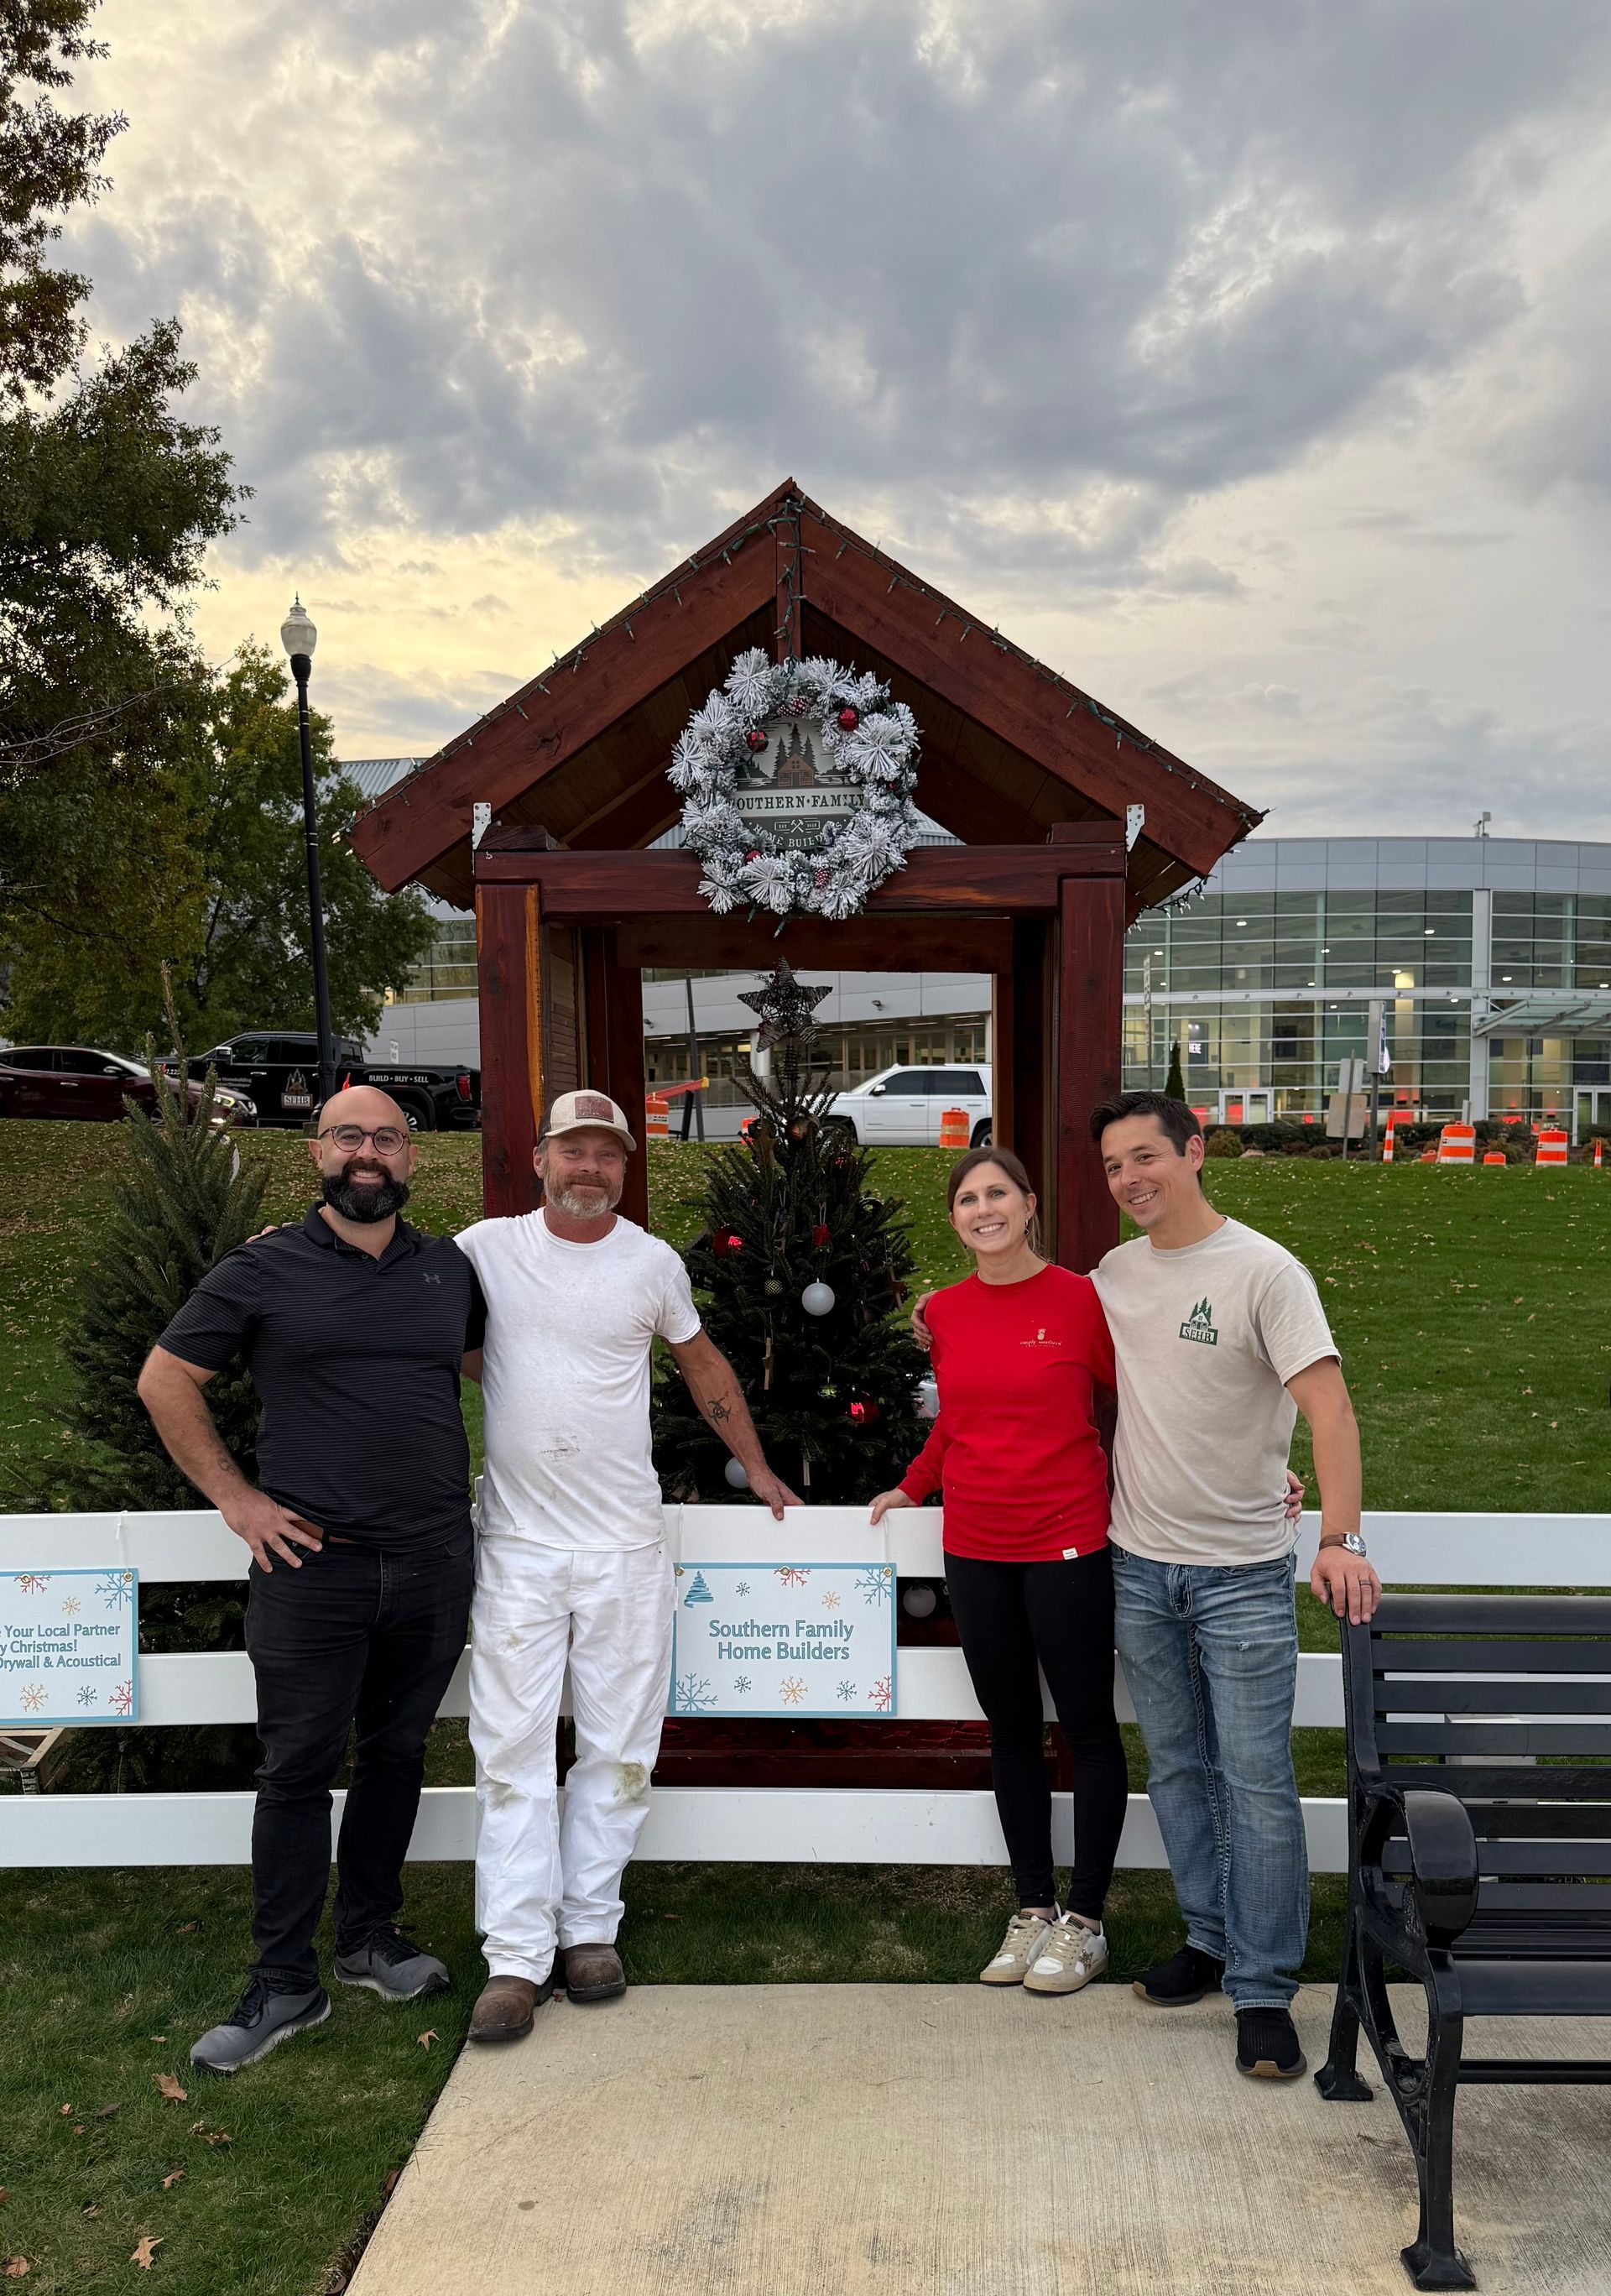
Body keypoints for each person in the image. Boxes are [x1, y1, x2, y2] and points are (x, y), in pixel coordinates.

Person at [138, 1087, 486, 2074]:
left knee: (397, 1754)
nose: (367, 1153)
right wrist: (237, 1501)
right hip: (312, 1569)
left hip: (431, 1561)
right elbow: (166, 1379)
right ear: (317, 1154)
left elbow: (490, 1366)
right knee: (295, 1770)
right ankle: (284, 1980)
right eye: (348, 1137)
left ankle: (372, 1937)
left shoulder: (448, 1269)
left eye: (385, 1138)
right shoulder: (262, 1267)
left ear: (411, 1157)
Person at [456, 1088, 799, 2045]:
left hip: (625, 1548)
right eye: (574, 1150)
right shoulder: (483, 1251)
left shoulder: (651, 1263)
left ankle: (590, 1929)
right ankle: (515, 1957)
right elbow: (431, 1339)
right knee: (513, 1752)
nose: (590, 1168)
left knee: (619, 1746)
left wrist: (760, 1467)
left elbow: (702, 1366)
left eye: (608, 1153)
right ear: (540, 1159)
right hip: (520, 1548)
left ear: (623, 1167)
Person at [1087, 1090, 1378, 2082]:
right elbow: (1033, 1322)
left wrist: (1338, 1535)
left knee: (1256, 1783)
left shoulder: (1265, 1271)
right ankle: (1209, 1943)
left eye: (1145, 1157)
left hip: (1243, 1578)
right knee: (1174, 1770)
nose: (1130, 1179)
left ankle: (1263, 1990)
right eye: (1114, 1166)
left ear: (1193, 1152)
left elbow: (1330, 1412)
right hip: (1139, 1567)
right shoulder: (1116, 1276)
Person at [870, 1149, 1129, 1998]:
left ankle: (1085, 1922)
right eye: (968, 1198)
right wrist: (912, 1484)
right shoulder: (943, 1312)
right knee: (1009, 1730)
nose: (984, 1209)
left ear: (1028, 1205)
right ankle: (1031, 1910)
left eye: (998, 1194)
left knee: (1085, 1729)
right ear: (956, 1218)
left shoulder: (1084, 1301)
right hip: (974, 1547)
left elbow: (1146, 1402)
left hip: (1067, 1543)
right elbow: (959, 1423)